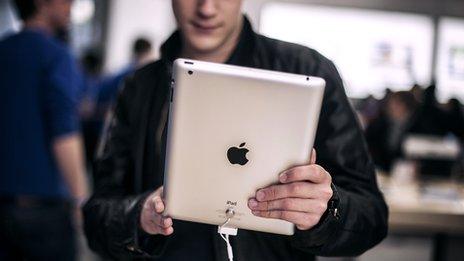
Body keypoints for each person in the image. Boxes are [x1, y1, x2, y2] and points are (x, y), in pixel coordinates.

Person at [83, 1, 388, 260]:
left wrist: (326, 212)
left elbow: (372, 215)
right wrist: (139, 215)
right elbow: (96, 217)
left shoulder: (307, 71)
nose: (206, 8)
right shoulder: (138, 88)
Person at [0, 0, 88, 260]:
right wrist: (81, 200)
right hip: (44, 214)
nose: (72, 6)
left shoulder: (3, 50)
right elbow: (64, 133)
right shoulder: (56, 56)